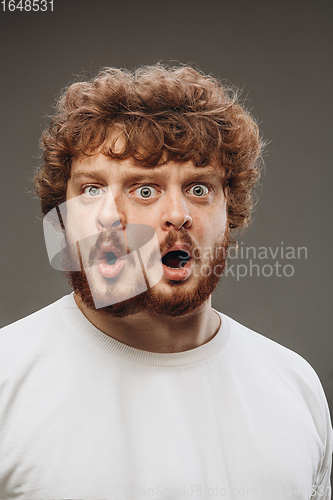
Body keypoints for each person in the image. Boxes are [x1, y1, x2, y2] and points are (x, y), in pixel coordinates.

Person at [0, 65, 331, 500]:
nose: (178, 214)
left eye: (198, 189)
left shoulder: (294, 386)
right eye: (145, 190)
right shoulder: (8, 379)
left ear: (229, 212)